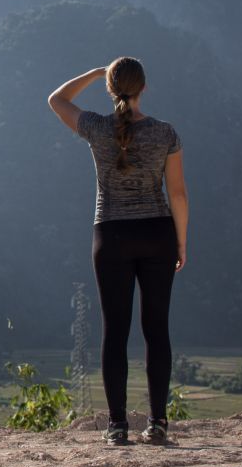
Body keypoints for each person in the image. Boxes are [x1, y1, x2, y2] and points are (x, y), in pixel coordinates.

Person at [47, 56, 189, 446]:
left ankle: (117, 426)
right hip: (158, 233)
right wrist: (180, 241)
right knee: (156, 329)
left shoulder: (96, 128)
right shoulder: (165, 133)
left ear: (110, 89)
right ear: (144, 88)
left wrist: (96, 74)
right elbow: (177, 194)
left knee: (115, 332)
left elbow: (56, 99)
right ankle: (158, 423)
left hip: (111, 236)